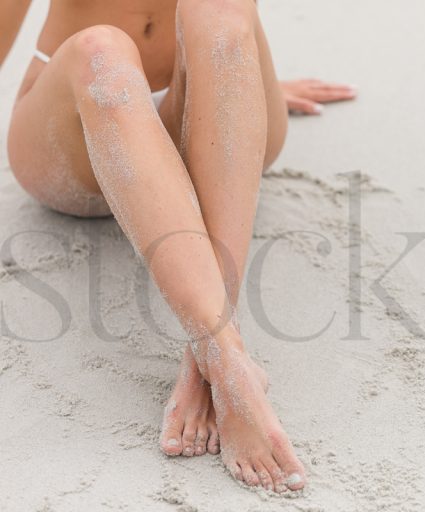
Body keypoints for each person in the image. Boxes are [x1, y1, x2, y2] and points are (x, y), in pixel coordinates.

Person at [0, 0, 357, 493]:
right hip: (81, 112)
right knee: (99, 47)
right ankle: (226, 360)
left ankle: (214, 350)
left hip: (210, 96)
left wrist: (249, 79)